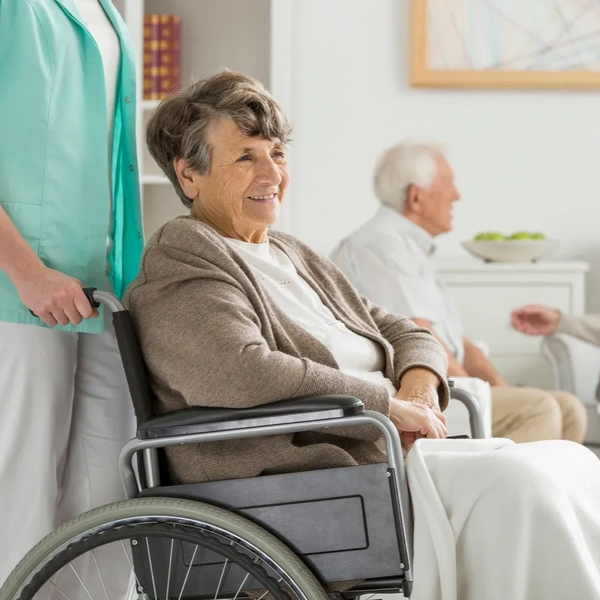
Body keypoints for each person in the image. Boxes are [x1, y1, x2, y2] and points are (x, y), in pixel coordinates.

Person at [126, 71, 600, 599]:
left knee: (571, 462)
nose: (272, 173)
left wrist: (417, 395)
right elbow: (237, 371)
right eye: (245, 157)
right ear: (188, 175)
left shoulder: (289, 252)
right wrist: (387, 408)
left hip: (387, 456)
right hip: (315, 477)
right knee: (522, 486)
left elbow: (401, 329)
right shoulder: (183, 255)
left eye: (277, 153)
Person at [0, 0, 143, 587]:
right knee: (20, 499)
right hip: (20, 295)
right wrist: (27, 272)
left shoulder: (110, 11)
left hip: (104, 290)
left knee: (106, 500)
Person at [331, 139, 587, 445]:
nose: (457, 195)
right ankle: (495, 489)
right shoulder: (380, 246)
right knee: (538, 408)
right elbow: (420, 337)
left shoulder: (408, 247)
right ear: (416, 196)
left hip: (447, 382)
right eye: (449, 184)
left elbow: (459, 344)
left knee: (570, 409)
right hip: (415, 396)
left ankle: (551, 493)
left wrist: (500, 390)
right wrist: (475, 395)